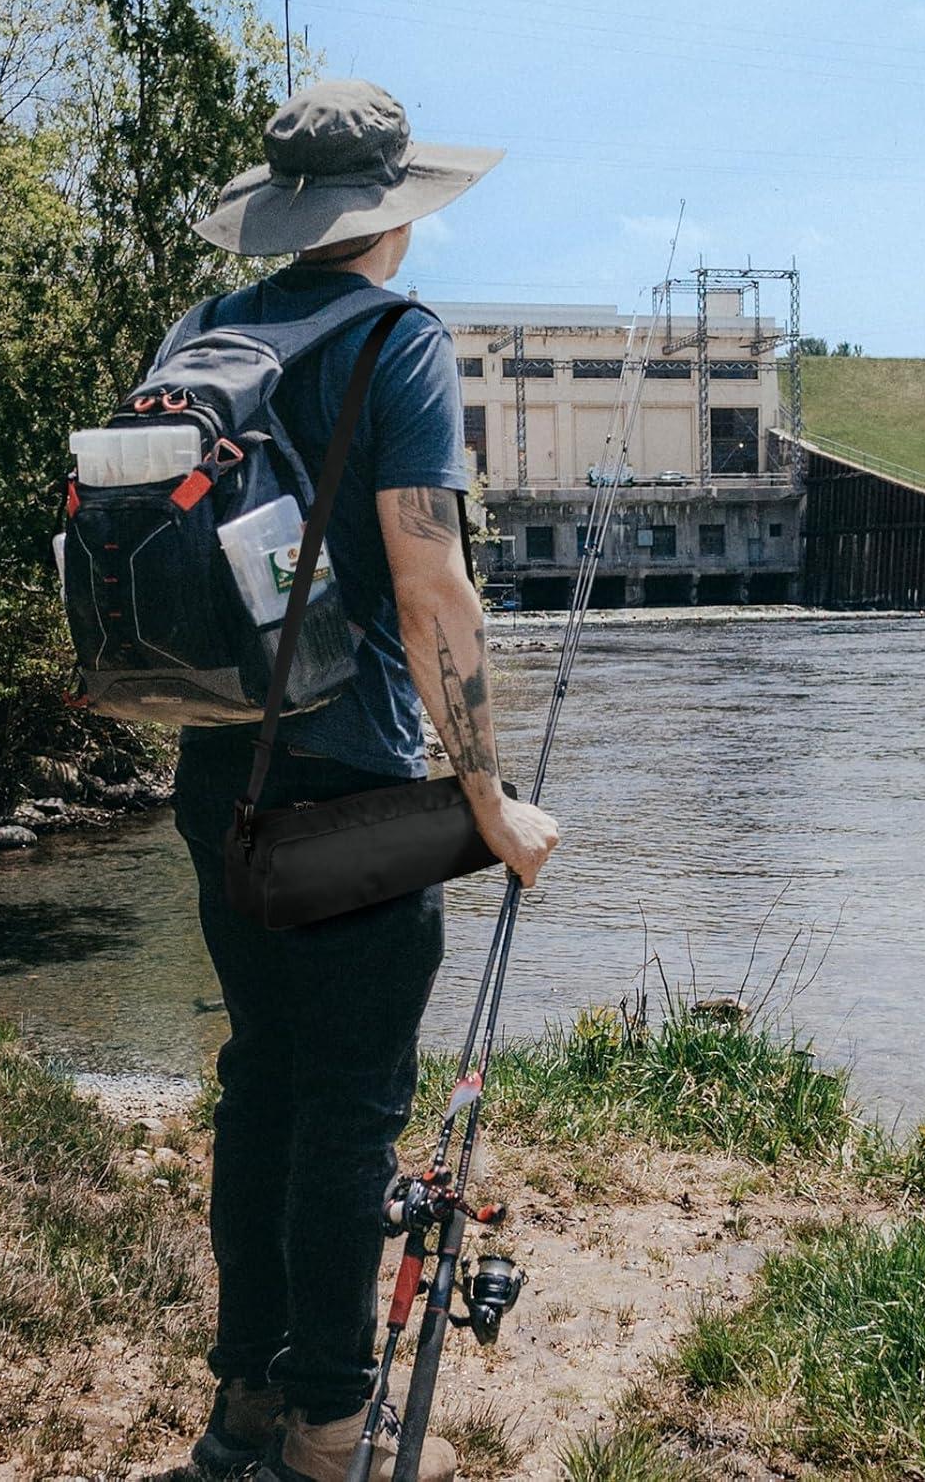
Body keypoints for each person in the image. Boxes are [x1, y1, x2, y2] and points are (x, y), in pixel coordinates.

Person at [170, 79, 561, 1482]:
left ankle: (246, 1415)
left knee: (262, 1086)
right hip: (355, 790)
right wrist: (488, 802)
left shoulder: (197, 335)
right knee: (348, 1116)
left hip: (219, 776)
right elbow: (431, 586)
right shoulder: (396, 337)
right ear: (392, 213)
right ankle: (335, 1429)